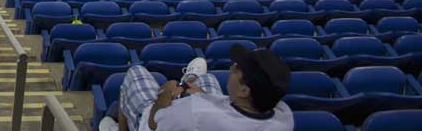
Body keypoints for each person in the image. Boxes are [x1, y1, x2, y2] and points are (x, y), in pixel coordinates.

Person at [99, 46, 293, 131]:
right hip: (207, 115)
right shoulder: (284, 115)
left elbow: (154, 125)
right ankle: (189, 78)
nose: (232, 67)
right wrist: (203, 95)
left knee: (136, 72)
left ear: (244, 91)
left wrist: (163, 98)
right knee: (206, 78)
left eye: (237, 69)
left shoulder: (195, 111)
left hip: (161, 121)